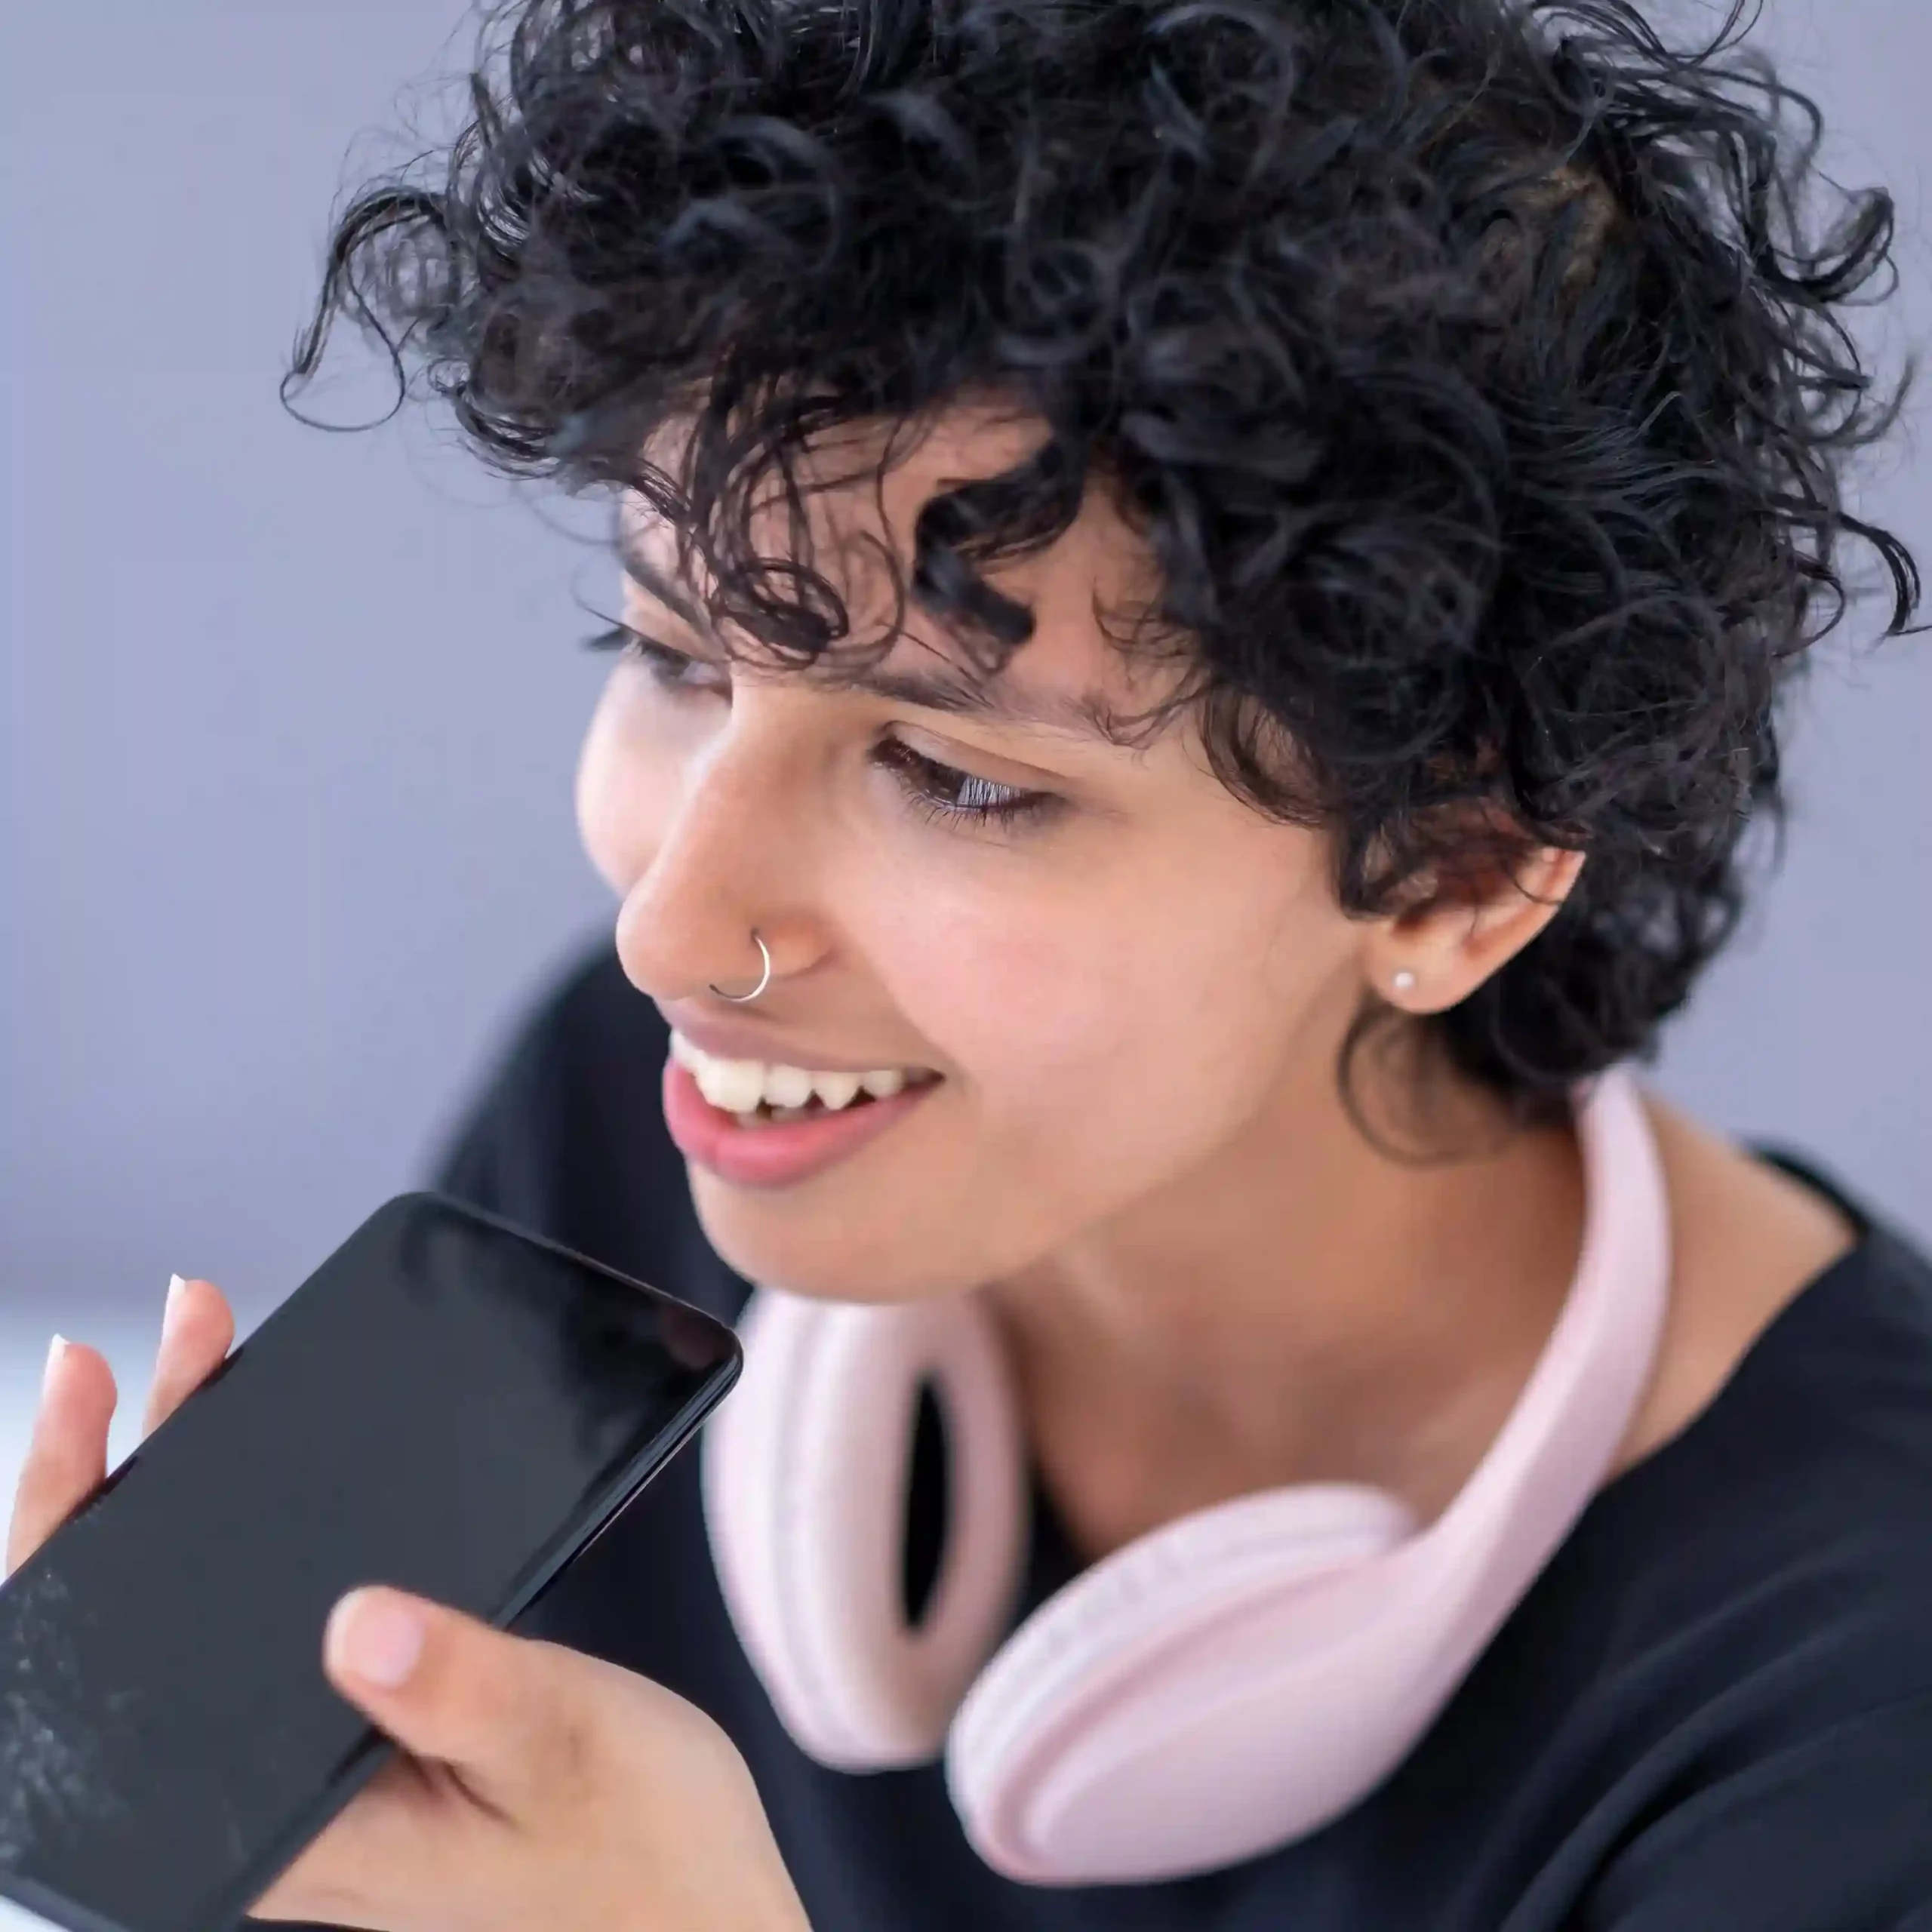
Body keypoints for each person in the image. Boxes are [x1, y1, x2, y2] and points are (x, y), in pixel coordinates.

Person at [11, 0, 1930, 1924]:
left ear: (1447, 872)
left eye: (948, 772)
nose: (670, 931)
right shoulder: (634, 1125)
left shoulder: (1850, 1712)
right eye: (677, 659)